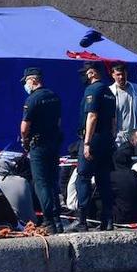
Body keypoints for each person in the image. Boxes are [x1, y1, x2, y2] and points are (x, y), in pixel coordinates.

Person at [69, 62, 117, 232]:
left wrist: (87, 143)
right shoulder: (110, 92)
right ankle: (107, 219)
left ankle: (82, 220)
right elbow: (113, 121)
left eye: (86, 73)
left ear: (91, 73)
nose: (84, 76)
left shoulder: (92, 90)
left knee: (83, 177)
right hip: (106, 139)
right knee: (104, 179)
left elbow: (92, 116)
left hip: (94, 137)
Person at [21, 67, 64, 233]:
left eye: (26, 81)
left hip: (38, 145)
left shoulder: (33, 100)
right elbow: (58, 121)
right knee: (53, 181)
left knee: (41, 183)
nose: (26, 85)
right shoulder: (54, 96)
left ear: (33, 80)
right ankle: (58, 220)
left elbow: (25, 128)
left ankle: (48, 220)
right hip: (54, 142)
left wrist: (25, 142)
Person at [108, 62, 137, 145]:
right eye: (118, 74)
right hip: (119, 137)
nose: (121, 77)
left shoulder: (136, 89)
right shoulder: (109, 92)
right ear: (113, 75)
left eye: (123, 74)